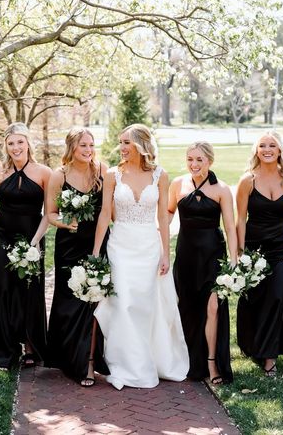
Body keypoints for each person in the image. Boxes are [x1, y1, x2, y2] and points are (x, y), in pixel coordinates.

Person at [93, 123, 189, 390]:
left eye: (127, 143)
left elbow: (163, 217)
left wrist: (165, 254)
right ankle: (127, 366)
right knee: (123, 304)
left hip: (148, 245)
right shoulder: (112, 174)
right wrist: (95, 252)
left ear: (141, 145)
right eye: (121, 142)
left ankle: (151, 360)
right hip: (120, 245)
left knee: (145, 306)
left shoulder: (160, 175)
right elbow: (104, 215)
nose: (122, 148)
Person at [0, 122, 51, 369]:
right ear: (5, 146)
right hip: (2, 236)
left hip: (32, 237)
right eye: (10, 143)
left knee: (29, 291)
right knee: (3, 290)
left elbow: (50, 213)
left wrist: (35, 244)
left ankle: (30, 346)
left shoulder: (44, 173)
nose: (16, 147)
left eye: (20, 141)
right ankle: (3, 351)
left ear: (28, 143)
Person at [168, 142, 237, 384]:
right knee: (187, 308)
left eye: (199, 160)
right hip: (186, 255)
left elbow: (230, 226)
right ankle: (189, 361)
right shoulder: (177, 184)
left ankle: (212, 363)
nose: (194, 165)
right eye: (190, 159)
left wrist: (235, 259)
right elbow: (166, 215)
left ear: (210, 161)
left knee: (213, 308)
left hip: (213, 256)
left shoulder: (222, 189)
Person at [45, 127, 109, 386]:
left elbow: (107, 210)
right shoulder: (58, 175)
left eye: (91, 145)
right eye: (83, 145)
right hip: (68, 246)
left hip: (96, 242)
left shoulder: (101, 171)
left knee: (93, 302)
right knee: (69, 302)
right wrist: (64, 223)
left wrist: (97, 250)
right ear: (72, 147)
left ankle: (90, 362)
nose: (88, 150)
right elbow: (50, 214)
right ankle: (69, 358)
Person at [236, 131, 283, 377]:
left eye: (272, 145)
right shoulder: (247, 181)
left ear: (279, 150)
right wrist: (240, 252)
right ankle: (254, 346)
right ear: (256, 150)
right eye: (262, 145)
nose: (267, 149)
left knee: (276, 297)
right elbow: (240, 219)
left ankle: (269, 358)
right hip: (254, 251)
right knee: (256, 300)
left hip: (279, 250)